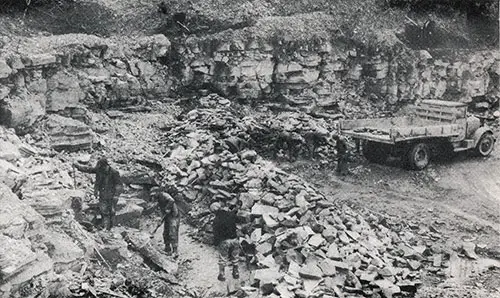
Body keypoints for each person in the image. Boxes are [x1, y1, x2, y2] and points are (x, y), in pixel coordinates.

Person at [74, 158, 122, 230]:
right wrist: (77, 166)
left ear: (106, 166)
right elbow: (88, 169)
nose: (101, 170)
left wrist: (116, 195)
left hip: (112, 195)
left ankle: (110, 227)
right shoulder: (99, 170)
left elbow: (119, 185)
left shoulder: (114, 172)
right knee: (103, 210)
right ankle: (105, 226)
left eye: (103, 168)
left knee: (112, 211)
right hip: (103, 194)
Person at [211, 201, 241, 281]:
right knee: (235, 257)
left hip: (224, 241)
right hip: (234, 240)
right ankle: (236, 273)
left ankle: (222, 274)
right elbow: (238, 220)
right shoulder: (230, 214)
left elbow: (216, 234)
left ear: (214, 212)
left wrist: (216, 243)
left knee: (223, 258)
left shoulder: (216, 220)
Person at [150, 186, 180, 257]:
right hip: (167, 216)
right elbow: (162, 211)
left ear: (158, 192)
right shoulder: (158, 200)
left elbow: (171, 200)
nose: (153, 197)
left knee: (172, 232)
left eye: (154, 195)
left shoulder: (164, 195)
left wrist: (168, 208)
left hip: (173, 216)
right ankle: (167, 248)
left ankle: (175, 251)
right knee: (165, 232)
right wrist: (161, 220)